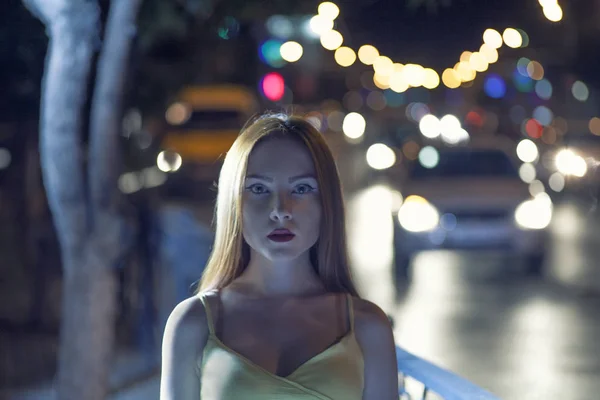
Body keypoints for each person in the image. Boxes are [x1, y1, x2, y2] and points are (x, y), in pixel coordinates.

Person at [160, 113, 398, 399]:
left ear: (327, 203)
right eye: (259, 189)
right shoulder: (193, 322)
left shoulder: (367, 326)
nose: (281, 209)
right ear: (233, 202)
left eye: (301, 188)